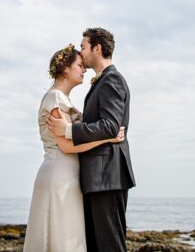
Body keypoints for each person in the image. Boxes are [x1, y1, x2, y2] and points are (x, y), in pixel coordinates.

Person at [23, 44, 125, 252]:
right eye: (79, 65)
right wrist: (108, 138)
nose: (84, 69)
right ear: (65, 69)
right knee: (59, 236)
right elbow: (67, 146)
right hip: (59, 174)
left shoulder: (62, 99)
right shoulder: (54, 98)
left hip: (69, 176)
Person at [47, 28, 135, 252]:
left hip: (107, 176)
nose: (81, 51)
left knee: (110, 246)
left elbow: (110, 126)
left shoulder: (111, 79)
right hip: (99, 178)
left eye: (84, 46)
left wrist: (69, 130)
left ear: (97, 48)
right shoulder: (102, 81)